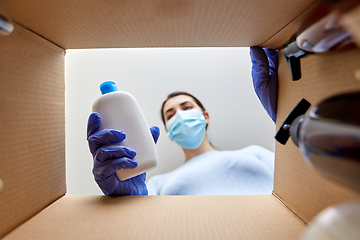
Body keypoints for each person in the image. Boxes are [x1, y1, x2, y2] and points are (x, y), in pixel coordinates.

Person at [86, 47, 278, 196]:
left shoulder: (254, 153)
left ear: (205, 117)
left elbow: (300, 179)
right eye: (170, 115)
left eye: (187, 107)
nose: (180, 115)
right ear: (168, 130)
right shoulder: (156, 184)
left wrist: (285, 118)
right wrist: (126, 200)